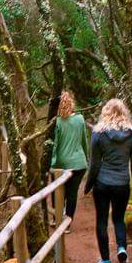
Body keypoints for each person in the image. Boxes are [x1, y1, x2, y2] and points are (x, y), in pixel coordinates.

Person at [84, 98, 132, 263]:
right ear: (124, 113)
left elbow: (94, 164)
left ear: (105, 113)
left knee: (102, 220)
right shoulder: (131, 134)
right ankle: (121, 249)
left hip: (102, 184)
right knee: (118, 219)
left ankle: (105, 261)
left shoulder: (98, 133)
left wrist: (88, 186)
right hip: (122, 184)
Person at [49, 91, 89, 230]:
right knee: (72, 194)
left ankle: (56, 218)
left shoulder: (58, 122)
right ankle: (67, 223)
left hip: (62, 163)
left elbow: (56, 144)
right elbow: (84, 141)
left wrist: (52, 164)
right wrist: (87, 158)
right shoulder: (80, 119)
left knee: (58, 191)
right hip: (79, 163)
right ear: (72, 104)